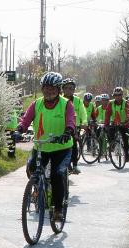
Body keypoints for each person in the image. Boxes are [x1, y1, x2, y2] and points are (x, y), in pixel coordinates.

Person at [17, 71, 76, 220]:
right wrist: (19, 130)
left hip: (61, 148)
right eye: (46, 88)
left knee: (57, 174)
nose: (49, 91)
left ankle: (58, 209)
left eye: (52, 89)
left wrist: (68, 131)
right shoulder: (36, 104)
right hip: (41, 147)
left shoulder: (66, 104)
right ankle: (37, 189)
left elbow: (71, 121)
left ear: (58, 90)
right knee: (31, 168)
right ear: (42, 89)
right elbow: (25, 120)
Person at [62, 77, 84, 174]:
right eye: (66, 88)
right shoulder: (59, 100)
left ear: (74, 90)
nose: (68, 90)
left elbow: (83, 112)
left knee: (73, 145)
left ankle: (75, 165)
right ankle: (66, 163)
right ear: (62, 89)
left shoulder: (78, 101)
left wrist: (84, 122)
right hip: (62, 126)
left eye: (71, 88)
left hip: (75, 127)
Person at [105, 85, 129, 162]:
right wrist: (106, 124)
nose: (117, 97)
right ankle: (112, 146)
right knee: (110, 133)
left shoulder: (126, 103)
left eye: (119, 95)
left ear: (122, 95)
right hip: (114, 123)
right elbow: (107, 114)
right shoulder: (111, 103)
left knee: (125, 139)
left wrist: (126, 121)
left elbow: (128, 113)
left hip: (124, 123)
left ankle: (126, 154)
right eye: (115, 95)